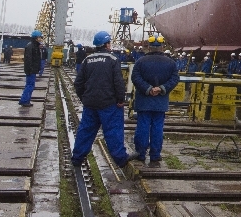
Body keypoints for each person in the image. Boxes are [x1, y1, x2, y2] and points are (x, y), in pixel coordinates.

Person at [71, 31, 130, 168]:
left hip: (90, 104)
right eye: (109, 42)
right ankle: (120, 159)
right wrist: (120, 99)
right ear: (106, 44)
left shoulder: (87, 60)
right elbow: (118, 82)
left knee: (85, 131)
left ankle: (77, 158)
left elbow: (78, 83)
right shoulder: (113, 60)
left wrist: (84, 98)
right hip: (109, 104)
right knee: (113, 131)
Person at [130, 35, 180, 167]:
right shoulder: (170, 63)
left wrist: (148, 89)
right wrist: (161, 88)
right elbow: (174, 79)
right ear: (162, 47)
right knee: (158, 128)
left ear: (149, 47)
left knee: (143, 126)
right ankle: (155, 155)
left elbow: (135, 77)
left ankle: (140, 154)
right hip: (160, 101)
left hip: (144, 101)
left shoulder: (141, 61)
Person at [19, 30, 43, 107]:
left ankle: (26, 100)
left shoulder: (34, 45)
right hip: (31, 70)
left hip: (32, 69)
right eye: (39, 37)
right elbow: (28, 59)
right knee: (30, 85)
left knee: (30, 85)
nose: (41, 39)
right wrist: (29, 69)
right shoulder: (31, 46)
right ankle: (24, 100)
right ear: (36, 38)